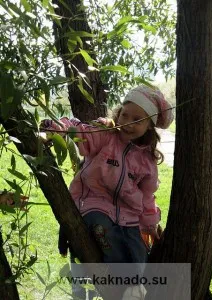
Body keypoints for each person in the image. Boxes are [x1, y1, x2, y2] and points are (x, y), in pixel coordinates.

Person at [42, 85, 174, 300]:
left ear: (149, 126)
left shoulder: (147, 160)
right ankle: (115, 284)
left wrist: (150, 224)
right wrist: (56, 128)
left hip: (128, 213)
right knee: (107, 234)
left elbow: (148, 196)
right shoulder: (106, 136)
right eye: (125, 115)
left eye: (138, 120)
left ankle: (134, 287)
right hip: (93, 204)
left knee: (137, 247)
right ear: (118, 113)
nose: (128, 123)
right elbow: (81, 132)